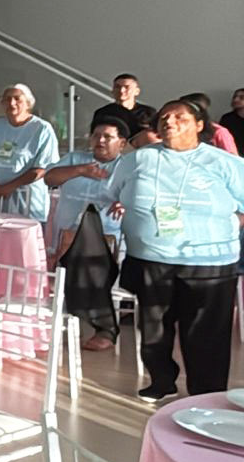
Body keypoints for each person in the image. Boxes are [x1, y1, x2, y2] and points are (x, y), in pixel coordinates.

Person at [108, 100, 244, 399]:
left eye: (179, 117)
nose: (169, 122)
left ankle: (206, 395)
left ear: (199, 125)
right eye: (164, 117)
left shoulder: (224, 163)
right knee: (154, 328)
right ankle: (161, 381)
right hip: (150, 257)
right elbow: (114, 191)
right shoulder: (138, 159)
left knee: (207, 333)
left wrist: (230, 224)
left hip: (209, 263)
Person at [44, 116, 127, 350]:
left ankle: (102, 327)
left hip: (108, 240)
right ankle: (92, 325)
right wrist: (80, 170)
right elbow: (49, 178)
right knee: (73, 259)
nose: (100, 140)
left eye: (108, 137)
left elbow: (140, 193)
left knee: (89, 261)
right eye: (96, 136)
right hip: (67, 236)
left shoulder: (127, 167)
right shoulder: (75, 159)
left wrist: (126, 202)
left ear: (121, 143)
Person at [0, 83, 59, 223]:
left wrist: (10, 187)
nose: (12, 103)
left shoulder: (42, 129)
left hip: (27, 204)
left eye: (17, 99)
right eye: (7, 99)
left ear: (28, 103)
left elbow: (42, 168)